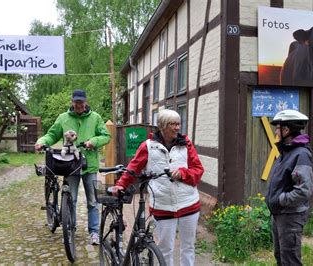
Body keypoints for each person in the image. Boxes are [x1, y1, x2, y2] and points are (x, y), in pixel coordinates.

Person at [111, 109, 204, 266]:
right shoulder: (148, 147)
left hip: (188, 203)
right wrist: (121, 184)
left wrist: (183, 173)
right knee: (165, 249)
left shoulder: (186, 144)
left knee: (188, 247)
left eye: (178, 124)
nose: (176, 128)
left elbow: (198, 170)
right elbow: (133, 168)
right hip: (163, 205)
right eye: (172, 124)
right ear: (162, 126)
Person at [34, 89, 111, 245]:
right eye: (76, 102)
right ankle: (70, 228)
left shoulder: (95, 118)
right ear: (72, 101)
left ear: (86, 101)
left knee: (92, 201)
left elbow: (106, 136)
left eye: (81, 102)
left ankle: (94, 232)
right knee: (72, 199)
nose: (79, 105)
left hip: (89, 165)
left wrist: (93, 141)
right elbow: (52, 134)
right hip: (70, 164)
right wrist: (42, 141)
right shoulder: (63, 118)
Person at [265, 109, 313, 266]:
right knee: (280, 257)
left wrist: (280, 200)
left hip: (290, 217)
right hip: (279, 214)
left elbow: (304, 190)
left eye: (278, 127)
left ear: (286, 130)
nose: (276, 131)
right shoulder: (286, 151)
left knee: (290, 261)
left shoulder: (301, 154)